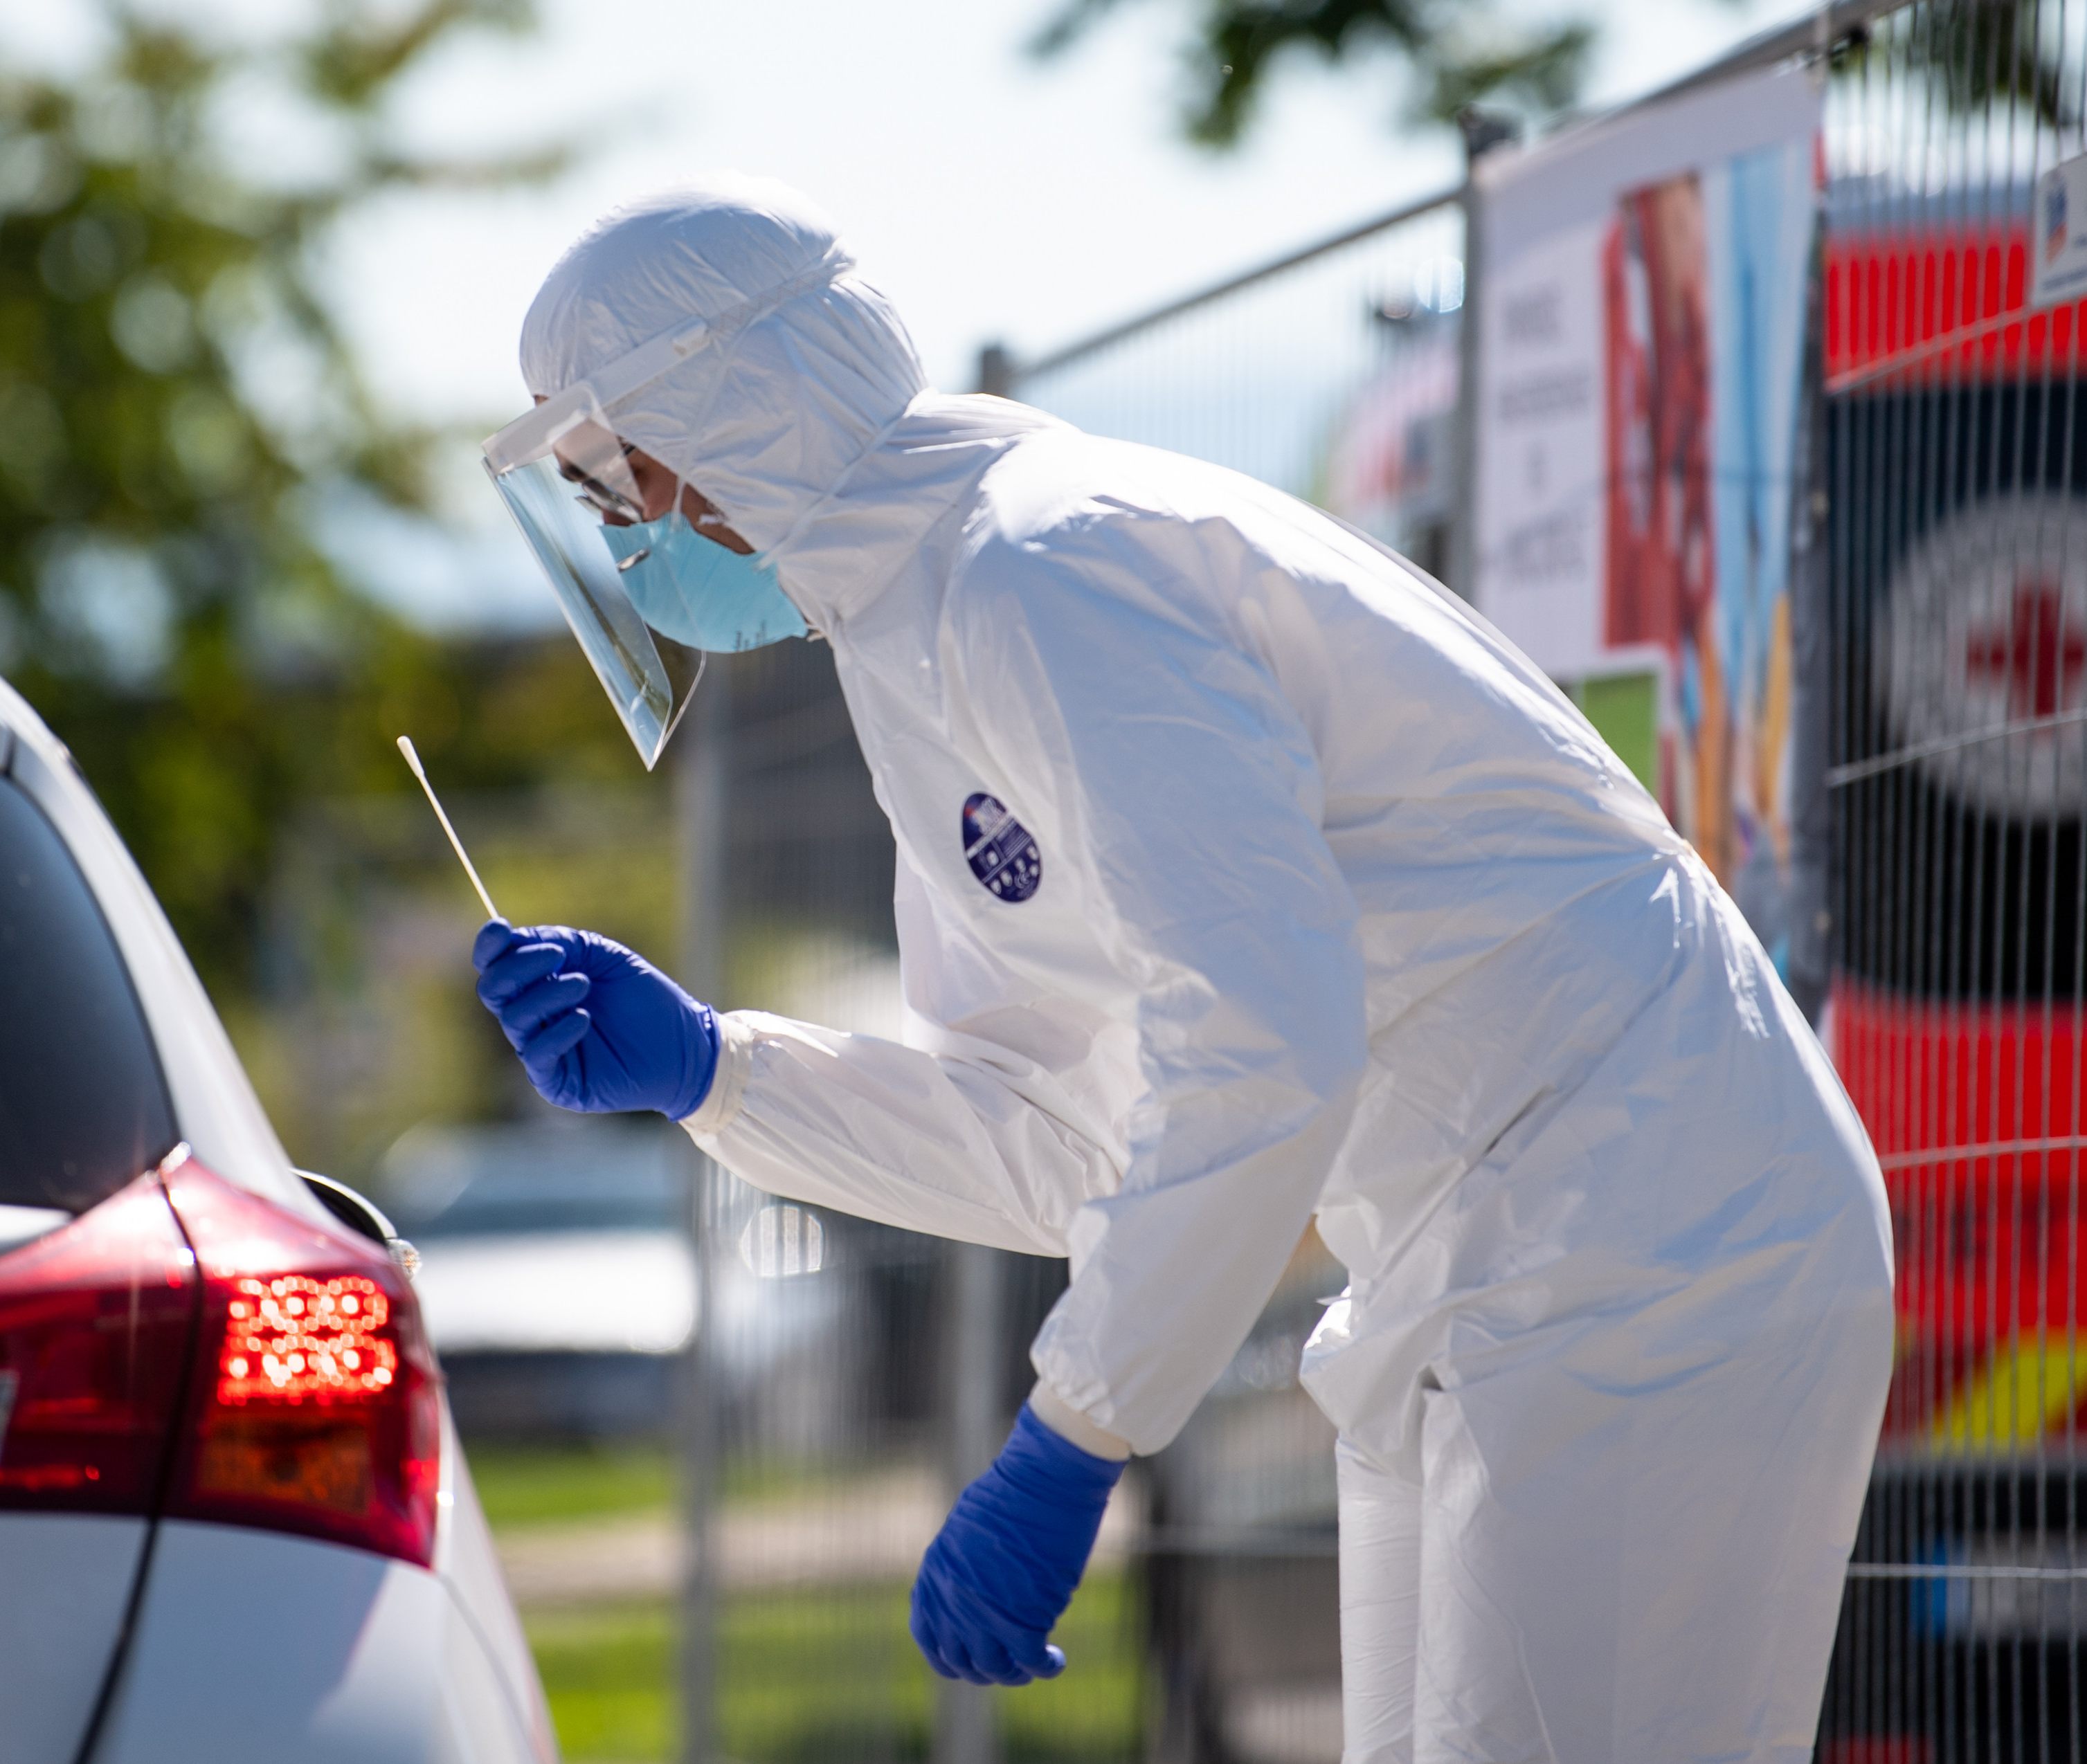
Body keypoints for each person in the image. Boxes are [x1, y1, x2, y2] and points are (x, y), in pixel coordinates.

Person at [470, 175, 1894, 1762]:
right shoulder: (923, 628)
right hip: (1496, 1261)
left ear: (739, 410)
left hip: (1649, 1234)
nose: (616, 526)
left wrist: (1074, 1434)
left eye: (618, 465)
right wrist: (723, 1073)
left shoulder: (1043, 571)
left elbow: (1265, 1046)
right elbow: (1085, 1143)